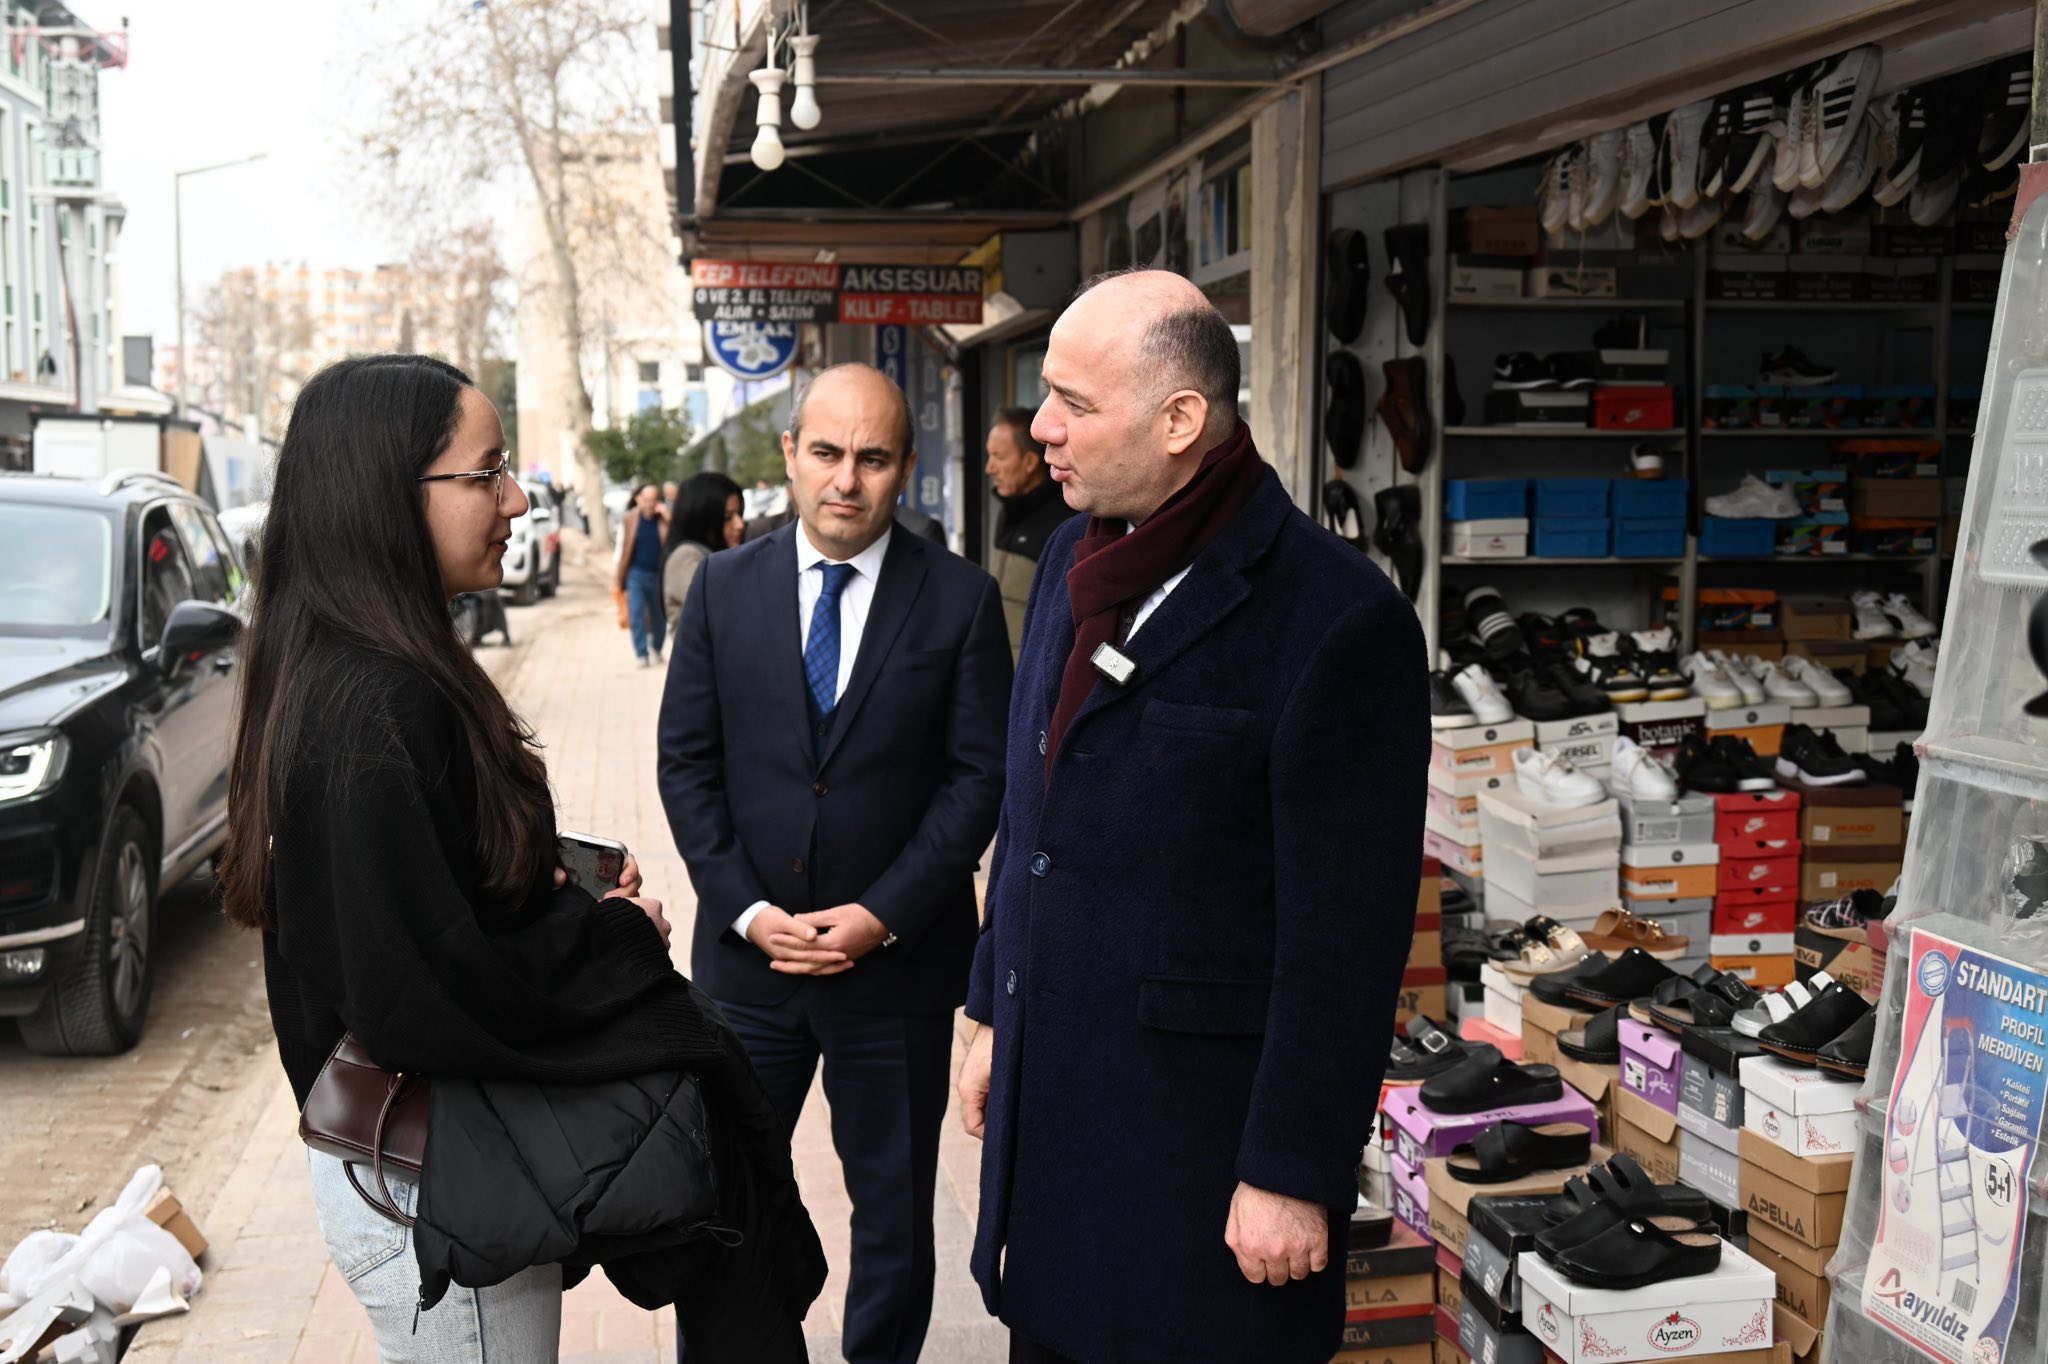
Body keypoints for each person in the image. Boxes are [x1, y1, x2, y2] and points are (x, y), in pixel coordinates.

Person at [219, 354, 824, 1362]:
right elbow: (424, 982)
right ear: (385, 492)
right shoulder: (375, 702)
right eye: (485, 471)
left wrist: (553, 881)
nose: (513, 499)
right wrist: (612, 940)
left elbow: (427, 892)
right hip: (437, 1181)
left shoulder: (371, 670)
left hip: (443, 1165)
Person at [955, 271, 1429, 1363]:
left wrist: (1290, 1169)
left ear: (1179, 421)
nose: (1040, 427)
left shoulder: (1332, 618)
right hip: (1056, 1144)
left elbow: (1344, 938)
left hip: (1200, 1171)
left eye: (1073, 401)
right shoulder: (1075, 556)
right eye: (1044, 396)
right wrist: (991, 1008)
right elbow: (1032, 818)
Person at [659, 362, 1012, 1364]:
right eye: (825, 453)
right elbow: (685, 765)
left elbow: (976, 781)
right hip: (748, 970)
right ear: (788, 456)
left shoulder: (959, 601)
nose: (844, 480)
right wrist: (742, 908)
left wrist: (882, 912)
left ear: (905, 466)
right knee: (727, 1206)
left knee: (895, 1215)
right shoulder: (723, 590)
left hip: (891, 974)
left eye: (870, 457)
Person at [983, 406, 1078, 661]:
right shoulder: (1007, 513)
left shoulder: (1066, 524)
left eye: (998, 457)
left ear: (1029, 463)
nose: (989, 469)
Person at [663, 470, 745, 634]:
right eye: (727, 517)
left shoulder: (717, 556)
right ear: (701, 518)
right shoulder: (686, 558)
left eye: (739, 514)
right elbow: (730, 614)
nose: (739, 525)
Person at [616, 482, 669, 666]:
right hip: (635, 573)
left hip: (658, 575)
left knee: (659, 617)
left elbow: (675, 539)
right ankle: (641, 653)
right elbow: (622, 548)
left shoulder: (663, 520)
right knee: (636, 614)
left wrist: (668, 517)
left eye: (654, 500)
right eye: (646, 500)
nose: (650, 504)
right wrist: (618, 579)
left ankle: (656, 648)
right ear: (639, 500)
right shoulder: (630, 518)